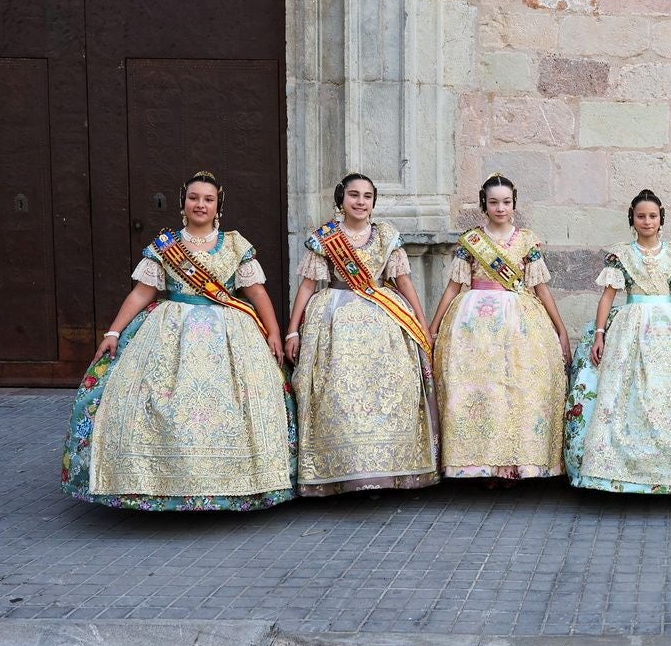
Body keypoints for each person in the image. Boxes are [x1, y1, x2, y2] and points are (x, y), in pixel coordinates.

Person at [62, 171, 295, 511]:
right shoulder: (165, 247)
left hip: (230, 333)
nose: (200, 204)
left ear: (218, 206)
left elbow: (256, 292)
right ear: (183, 203)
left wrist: (273, 332)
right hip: (169, 329)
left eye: (208, 199)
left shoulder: (234, 244)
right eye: (194, 198)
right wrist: (113, 332)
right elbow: (142, 293)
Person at [563, 190, 671, 495]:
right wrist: (600, 333)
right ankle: (620, 471)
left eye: (652, 216)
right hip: (632, 327)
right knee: (628, 393)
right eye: (641, 216)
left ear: (661, 218)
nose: (647, 221)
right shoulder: (621, 255)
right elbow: (607, 298)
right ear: (632, 218)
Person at [284, 173, 438, 497]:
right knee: (339, 393)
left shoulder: (386, 237)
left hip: (385, 318)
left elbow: (405, 283)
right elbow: (308, 286)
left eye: (367, 196)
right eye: (353, 195)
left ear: (373, 202)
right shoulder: (326, 238)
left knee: (391, 389)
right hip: (333, 322)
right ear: (341, 200)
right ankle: (345, 471)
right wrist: (292, 330)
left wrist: (422, 326)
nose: (360, 202)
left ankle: (387, 471)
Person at [430, 174, 571, 484]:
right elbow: (454, 287)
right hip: (474, 323)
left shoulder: (526, 240)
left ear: (514, 203)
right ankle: (483, 465)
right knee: (481, 389)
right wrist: (434, 325)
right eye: (493, 202)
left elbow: (541, 287)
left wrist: (560, 328)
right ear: (484, 204)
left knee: (518, 389)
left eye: (506, 202)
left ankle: (515, 464)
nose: (500, 207)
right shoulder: (471, 241)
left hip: (520, 321)